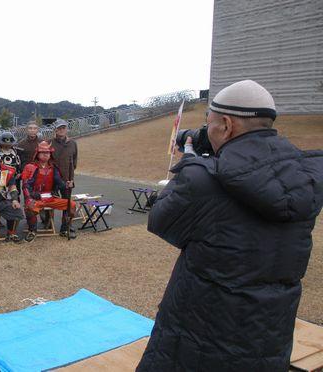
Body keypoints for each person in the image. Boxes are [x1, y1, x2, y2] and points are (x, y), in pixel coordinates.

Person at [136, 80, 323, 372]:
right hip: (269, 337)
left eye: (207, 122)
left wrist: (192, 162)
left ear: (225, 125)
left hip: (199, 339)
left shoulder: (203, 180)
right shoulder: (302, 178)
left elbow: (160, 219)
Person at [21, 142, 75, 242]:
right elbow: (25, 186)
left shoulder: (54, 168)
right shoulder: (29, 167)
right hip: (36, 197)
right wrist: (29, 198)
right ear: (37, 153)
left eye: (48, 152)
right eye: (42, 152)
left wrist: (67, 184)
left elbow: (60, 183)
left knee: (71, 205)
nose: (46, 154)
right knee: (30, 206)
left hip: (50, 197)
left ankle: (64, 229)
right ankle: (32, 231)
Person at [49, 119, 78, 237]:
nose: (61, 130)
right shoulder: (49, 143)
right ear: (55, 130)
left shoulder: (73, 143)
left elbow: (74, 161)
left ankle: (66, 227)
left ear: (67, 129)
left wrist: (70, 177)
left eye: (63, 128)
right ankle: (47, 223)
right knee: (49, 201)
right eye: (59, 128)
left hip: (67, 179)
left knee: (67, 203)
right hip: (51, 179)